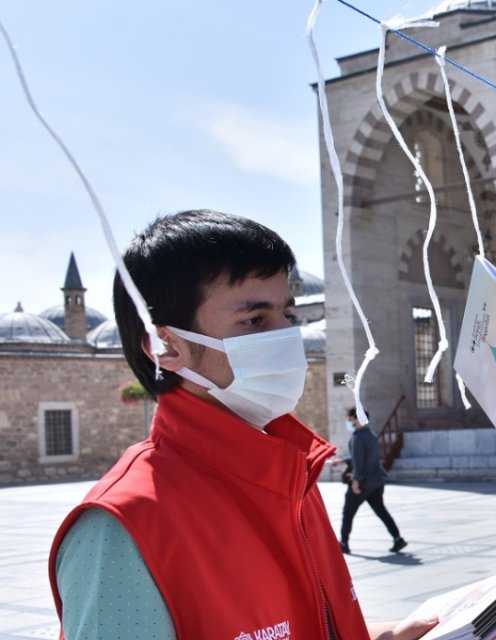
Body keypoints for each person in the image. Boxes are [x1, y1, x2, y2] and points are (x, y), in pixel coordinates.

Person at [48, 210, 436, 639]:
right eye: (254, 321)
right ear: (166, 346)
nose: (286, 335)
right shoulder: (124, 530)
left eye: (288, 314)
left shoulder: (289, 479)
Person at [339, 407, 408, 555]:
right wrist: (343, 460)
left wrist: (355, 481)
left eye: (350, 419)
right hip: (376, 482)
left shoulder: (358, 437)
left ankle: (343, 543)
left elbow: (358, 462)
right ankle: (397, 538)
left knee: (348, 512)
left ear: (356, 419)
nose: (349, 422)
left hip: (363, 483)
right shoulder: (371, 435)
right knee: (381, 510)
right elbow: (366, 458)